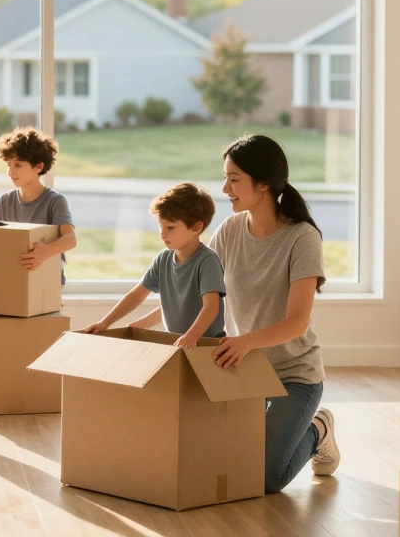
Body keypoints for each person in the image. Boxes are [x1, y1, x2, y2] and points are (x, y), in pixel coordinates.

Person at [208, 134, 339, 492]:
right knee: (218, 462)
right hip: (245, 371)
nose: (225, 188)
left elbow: (297, 323)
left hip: (294, 376)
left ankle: (319, 429)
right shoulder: (229, 231)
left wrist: (245, 342)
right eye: (226, 177)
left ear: (263, 183)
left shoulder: (302, 238)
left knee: (265, 478)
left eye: (234, 179)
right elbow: (201, 295)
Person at [83, 182, 225, 347]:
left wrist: (191, 336)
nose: (162, 234)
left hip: (206, 345)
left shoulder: (207, 261)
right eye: (160, 226)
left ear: (196, 227)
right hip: (177, 343)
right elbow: (138, 294)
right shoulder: (163, 259)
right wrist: (105, 323)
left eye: (170, 227)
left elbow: (211, 307)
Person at [0, 127, 77, 282]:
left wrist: (46, 251)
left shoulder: (55, 201)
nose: (10, 172)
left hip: (46, 285)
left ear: (38, 166)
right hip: (12, 282)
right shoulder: (4, 202)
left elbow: (70, 239)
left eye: (18, 165)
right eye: (8, 165)